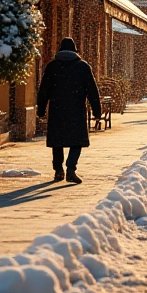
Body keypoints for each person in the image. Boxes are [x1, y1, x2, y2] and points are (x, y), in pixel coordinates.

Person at [36, 38, 101, 184]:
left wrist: (40, 109)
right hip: (76, 109)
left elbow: (43, 90)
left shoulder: (52, 66)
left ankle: (58, 171)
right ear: (75, 50)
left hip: (57, 109)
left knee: (57, 141)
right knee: (76, 141)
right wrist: (97, 111)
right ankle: (71, 169)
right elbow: (92, 90)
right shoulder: (83, 67)